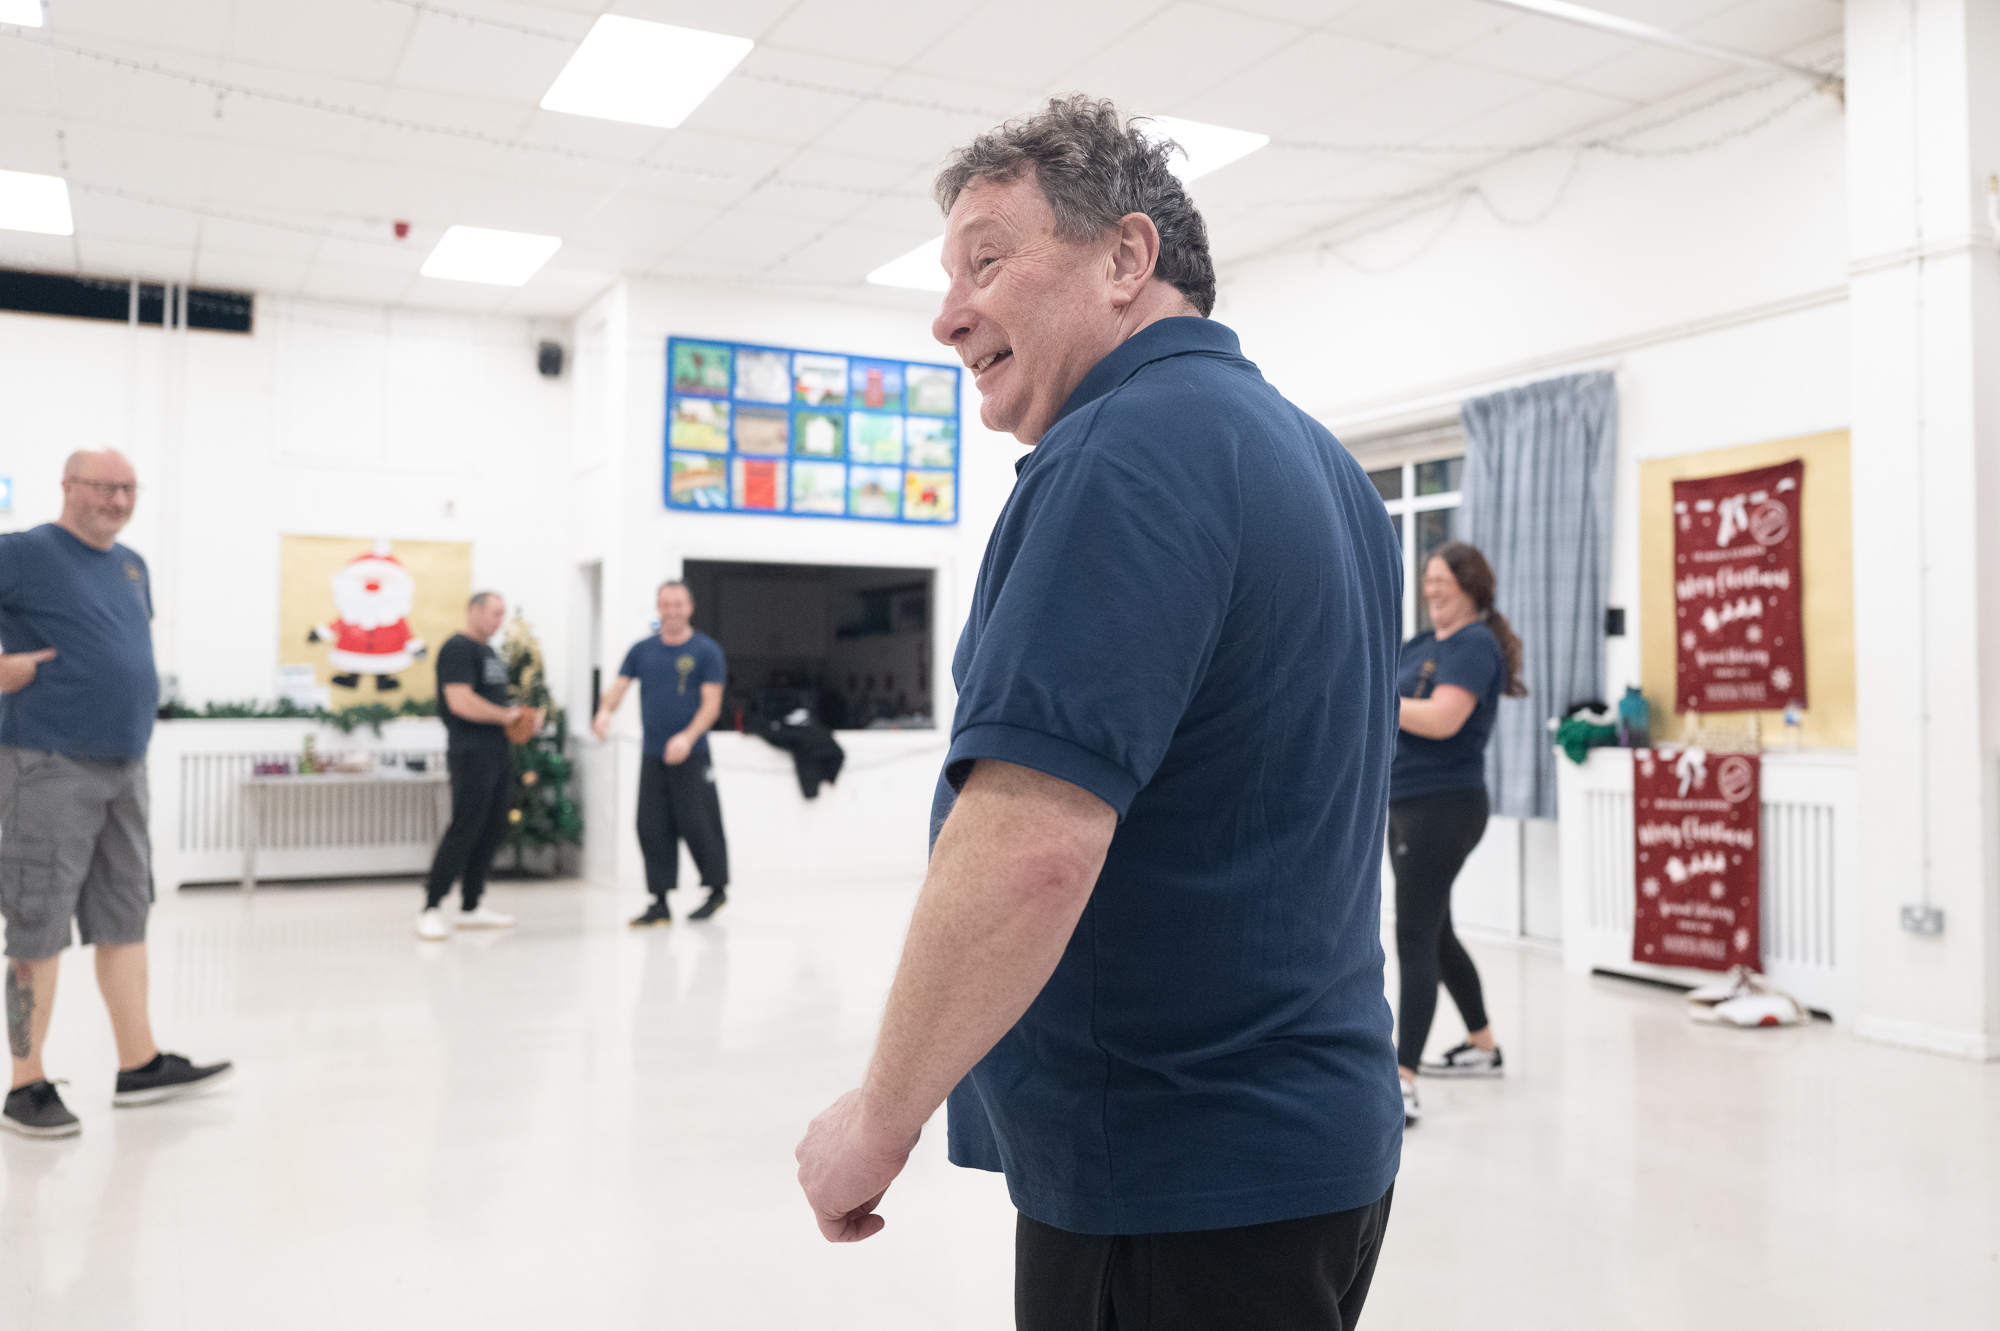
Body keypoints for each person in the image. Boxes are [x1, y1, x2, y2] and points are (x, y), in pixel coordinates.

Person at [794, 96, 1405, 1329]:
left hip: (1174, 1171)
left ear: (1126, 256)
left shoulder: (1118, 454)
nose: (947, 313)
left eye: (985, 260)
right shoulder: (1322, 465)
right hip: (1319, 1141)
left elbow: (1030, 845)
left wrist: (878, 1117)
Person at [0, 449, 233, 1138]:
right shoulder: (24, 553)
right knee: (39, 922)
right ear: (68, 486)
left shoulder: (132, 565)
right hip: (48, 763)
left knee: (125, 916)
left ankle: (140, 1063)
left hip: (125, 766)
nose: (120, 500)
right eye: (105, 487)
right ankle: (25, 1084)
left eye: (129, 489)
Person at [1388, 541, 1528, 1127]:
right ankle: (1482, 1045)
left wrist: (1373, 699)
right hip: (1405, 804)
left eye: (1442, 581)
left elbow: (1444, 719)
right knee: (1437, 934)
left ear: (1470, 587)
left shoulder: (1474, 644)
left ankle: (1402, 1080)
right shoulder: (1420, 644)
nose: (1432, 590)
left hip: (1444, 807)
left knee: (1414, 936)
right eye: (1428, 580)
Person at [593, 581, 728, 928]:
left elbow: (711, 706)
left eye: (678, 604)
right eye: (665, 604)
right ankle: (659, 902)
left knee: (699, 823)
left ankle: (716, 891)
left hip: (692, 754)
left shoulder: (706, 651)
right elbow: (619, 687)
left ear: (690, 608)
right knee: (652, 826)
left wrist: (687, 737)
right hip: (653, 755)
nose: (672, 611)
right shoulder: (642, 650)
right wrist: (605, 711)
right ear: (658, 607)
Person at [416, 592, 522, 941]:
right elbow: (459, 701)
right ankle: (431, 907)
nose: (499, 621)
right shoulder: (457, 648)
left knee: (492, 827)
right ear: (474, 611)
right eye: (494, 613)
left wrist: (519, 717)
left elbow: (492, 699)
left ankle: (471, 906)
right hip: (470, 752)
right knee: (465, 826)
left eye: (502, 615)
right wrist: (505, 716)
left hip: (497, 750)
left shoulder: (490, 652)